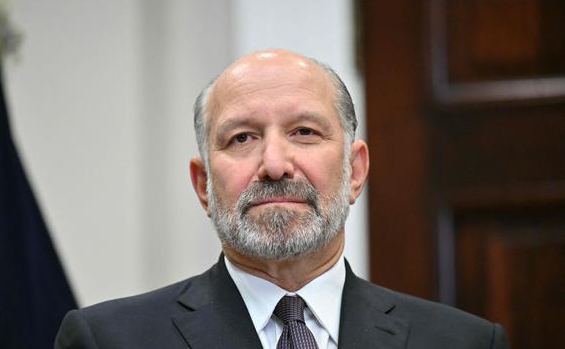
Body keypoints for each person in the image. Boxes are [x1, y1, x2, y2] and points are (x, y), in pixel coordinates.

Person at [55, 49, 510, 349]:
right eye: (241, 138)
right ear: (203, 185)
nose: (274, 164)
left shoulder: (464, 343)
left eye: (304, 133)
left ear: (355, 171)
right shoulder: (108, 341)